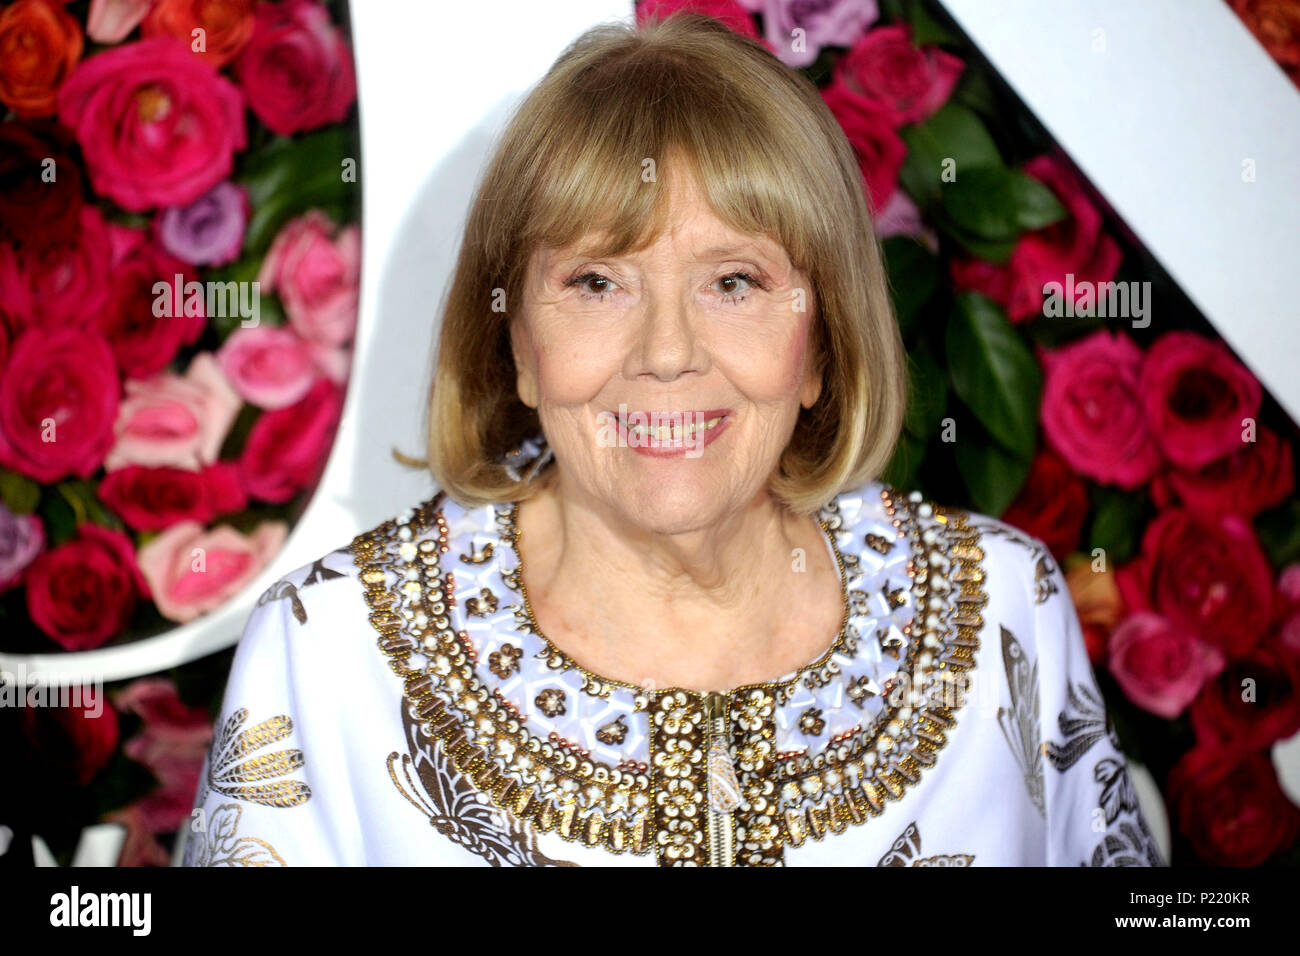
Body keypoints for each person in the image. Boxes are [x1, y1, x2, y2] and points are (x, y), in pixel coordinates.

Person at [182, 12, 1164, 867]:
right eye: (597, 283)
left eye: (733, 282)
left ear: (821, 343)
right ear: (517, 344)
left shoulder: (1004, 612)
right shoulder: (330, 653)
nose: (665, 352)